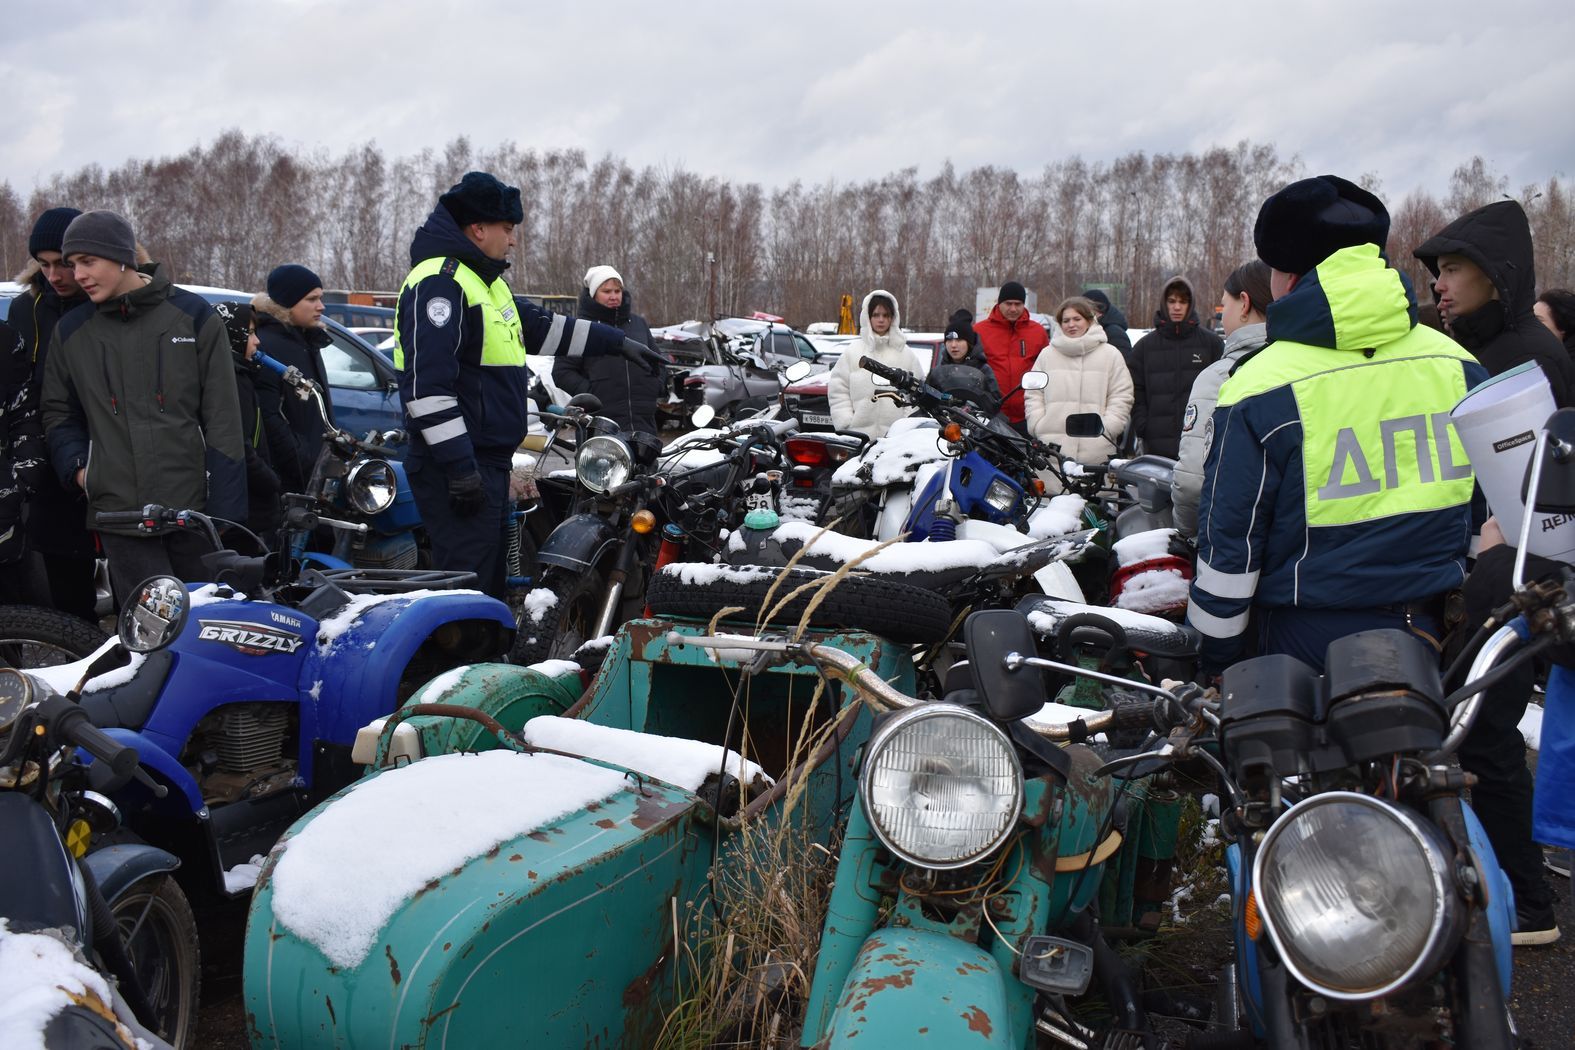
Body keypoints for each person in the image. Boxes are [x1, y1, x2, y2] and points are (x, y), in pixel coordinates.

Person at [1186, 174, 1485, 677]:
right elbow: (1487, 518)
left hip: (1298, 651)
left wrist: (1215, 662)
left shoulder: (1258, 385)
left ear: (1285, 277)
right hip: (1433, 639)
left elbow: (1230, 551)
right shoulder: (1459, 365)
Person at [393, 171, 661, 599]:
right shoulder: (441, 283)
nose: (513, 239)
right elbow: (428, 390)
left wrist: (617, 342)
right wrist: (460, 468)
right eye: (507, 228)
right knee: (467, 586)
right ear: (478, 229)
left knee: (490, 581)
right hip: (457, 466)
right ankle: (461, 663)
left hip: (486, 462)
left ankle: (486, 657)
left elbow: (541, 326)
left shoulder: (485, 282)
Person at [40, 210, 247, 601]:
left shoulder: (193, 316)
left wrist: (224, 513)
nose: (77, 275)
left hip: (192, 513)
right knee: (147, 639)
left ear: (122, 258)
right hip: (119, 515)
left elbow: (223, 416)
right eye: (72, 264)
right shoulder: (72, 332)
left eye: (88, 261)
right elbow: (58, 412)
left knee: (205, 630)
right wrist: (83, 472)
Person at [1449, 518, 1562, 943]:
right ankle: (1524, 900)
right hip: (1489, 588)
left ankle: (1524, 902)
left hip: (1497, 592)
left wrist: (1495, 567)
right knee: (1490, 745)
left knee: (1486, 742)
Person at [8, 206, 97, 619]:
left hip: (104, 460)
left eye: (63, 264)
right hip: (46, 467)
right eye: (43, 265)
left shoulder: (106, 307)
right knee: (66, 591)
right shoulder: (26, 310)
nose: (55, 276)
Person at [1414, 200, 1574, 406]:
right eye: (1440, 272)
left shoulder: (1528, 358)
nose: (1439, 285)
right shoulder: (1488, 342)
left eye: (1451, 270)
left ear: (1491, 272)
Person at [1171, 261, 1274, 537]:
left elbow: (1193, 482)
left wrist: (1186, 529)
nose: (1221, 316)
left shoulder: (1220, 377)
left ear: (1244, 304)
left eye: (1223, 306)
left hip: (1232, 544)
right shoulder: (1306, 365)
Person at [1023, 296, 1132, 475]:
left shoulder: (1110, 355)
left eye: (1077, 319)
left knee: (1094, 502)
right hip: (1053, 453)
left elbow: (1122, 395)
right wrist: (1038, 424)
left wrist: (1108, 428)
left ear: (1089, 320)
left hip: (1097, 453)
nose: (1071, 325)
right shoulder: (1047, 355)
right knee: (1054, 502)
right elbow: (1034, 393)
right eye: (1066, 320)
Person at [552, 266, 665, 434]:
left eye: (617, 291)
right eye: (606, 291)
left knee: (646, 461)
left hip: (643, 423)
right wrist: (591, 393)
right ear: (593, 293)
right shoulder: (579, 328)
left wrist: (656, 385)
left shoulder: (638, 324)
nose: (613, 296)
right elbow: (562, 371)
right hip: (599, 424)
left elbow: (657, 361)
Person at [254, 264, 334, 492]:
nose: (321, 306)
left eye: (321, 298)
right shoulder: (266, 344)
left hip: (314, 471)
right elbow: (269, 417)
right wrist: (304, 462)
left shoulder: (306, 340)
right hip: (291, 479)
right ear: (288, 301)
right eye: (312, 299)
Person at [1127, 276, 1223, 458]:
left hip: (1200, 442)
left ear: (1190, 304)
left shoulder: (1212, 344)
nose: (1177, 307)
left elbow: (1222, 388)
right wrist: (1143, 425)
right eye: (1171, 301)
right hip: (1156, 444)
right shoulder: (1144, 348)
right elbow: (1135, 391)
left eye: (1183, 301)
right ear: (1164, 303)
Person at [212, 301, 282, 545]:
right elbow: (240, 445)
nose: (257, 342)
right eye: (250, 333)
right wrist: (271, 481)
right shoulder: (233, 381)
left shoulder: (235, 375)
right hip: (248, 508)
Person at [825, 290, 923, 438]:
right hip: (858, 437)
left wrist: (906, 425)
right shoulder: (853, 352)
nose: (881, 320)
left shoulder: (905, 354)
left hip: (896, 440)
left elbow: (918, 392)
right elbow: (838, 389)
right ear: (867, 317)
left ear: (893, 318)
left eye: (886, 315)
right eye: (876, 315)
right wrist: (845, 422)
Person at [0, 320, 45, 600]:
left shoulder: (5, 340)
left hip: (2, 514)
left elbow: (27, 418)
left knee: (8, 623)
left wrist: (18, 483)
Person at [975, 280, 1049, 430]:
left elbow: (1048, 369)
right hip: (991, 415)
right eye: (1008, 304)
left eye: (1018, 304)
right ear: (999, 303)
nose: (1013, 309)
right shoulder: (979, 331)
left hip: (1028, 415)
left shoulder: (1038, 332)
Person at [927, 309, 1001, 412]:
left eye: (959, 340)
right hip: (942, 424)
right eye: (949, 340)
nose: (953, 345)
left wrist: (973, 405)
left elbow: (994, 403)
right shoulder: (938, 372)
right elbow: (927, 402)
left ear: (969, 343)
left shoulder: (983, 370)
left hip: (976, 424)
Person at [1081, 288, 1132, 357]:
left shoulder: (1115, 334)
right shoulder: (1092, 328)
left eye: (1085, 310)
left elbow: (1123, 364)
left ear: (1099, 312)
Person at [1534, 288, 1575, 358]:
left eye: (1538, 320)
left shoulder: (1564, 364)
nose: (1531, 325)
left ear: (1563, 326)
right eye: (1531, 319)